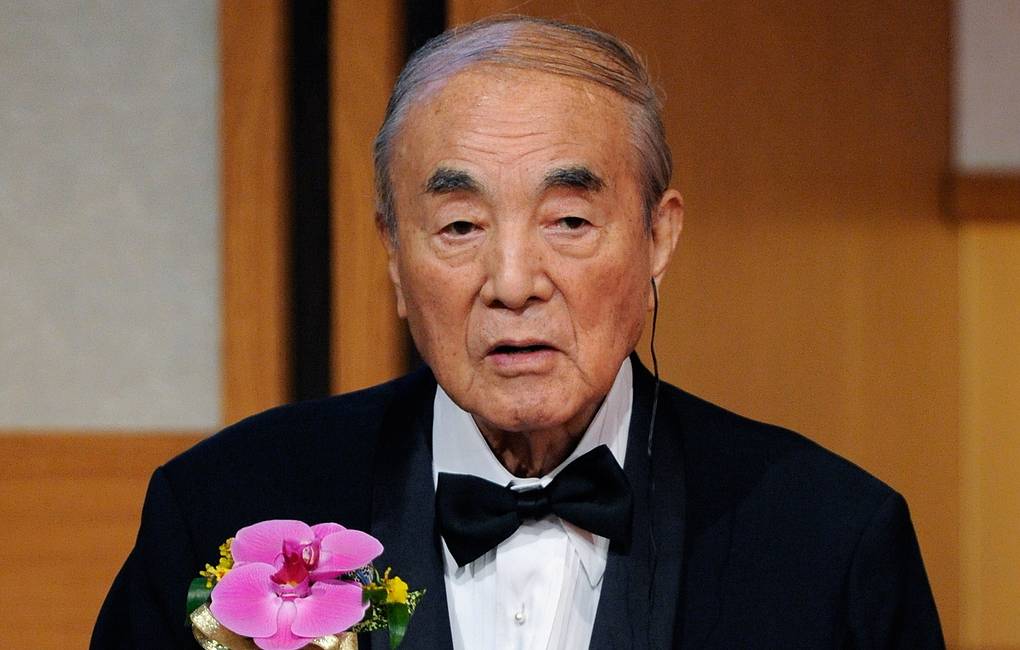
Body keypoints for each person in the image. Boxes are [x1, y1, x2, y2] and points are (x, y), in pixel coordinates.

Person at [92, 15, 944, 649]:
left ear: (658, 237)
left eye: (569, 220)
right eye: (460, 226)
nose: (511, 284)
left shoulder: (829, 543)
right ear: (394, 254)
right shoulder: (225, 509)